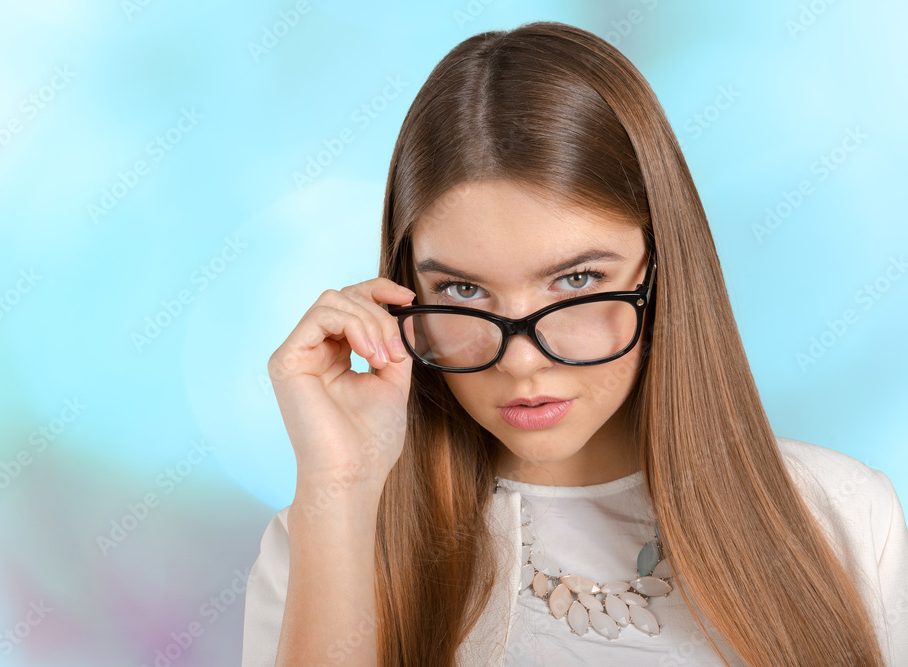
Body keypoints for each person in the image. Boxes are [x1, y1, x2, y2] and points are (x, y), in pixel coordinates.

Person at [243, 20, 908, 667]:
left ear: (660, 268)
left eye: (578, 280)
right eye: (465, 293)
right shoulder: (329, 541)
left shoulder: (844, 514)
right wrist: (340, 485)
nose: (522, 360)